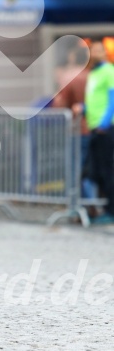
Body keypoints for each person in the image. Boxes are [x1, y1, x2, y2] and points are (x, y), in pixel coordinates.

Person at [52, 43, 98, 211]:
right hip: (94, 127)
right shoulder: (92, 75)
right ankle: (91, 205)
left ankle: (79, 207)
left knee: (75, 169)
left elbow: (60, 103)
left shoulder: (71, 76)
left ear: (72, 57)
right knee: (90, 169)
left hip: (76, 128)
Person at [73, 40, 114, 224]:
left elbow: (112, 99)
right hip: (93, 127)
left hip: (105, 129)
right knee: (93, 172)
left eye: (98, 51)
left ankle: (110, 211)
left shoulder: (109, 71)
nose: (95, 54)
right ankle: (102, 209)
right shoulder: (93, 74)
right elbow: (95, 101)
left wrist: (104, 124)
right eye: (92, 51)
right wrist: (83, 108)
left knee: (106, 171)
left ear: (104, 53)